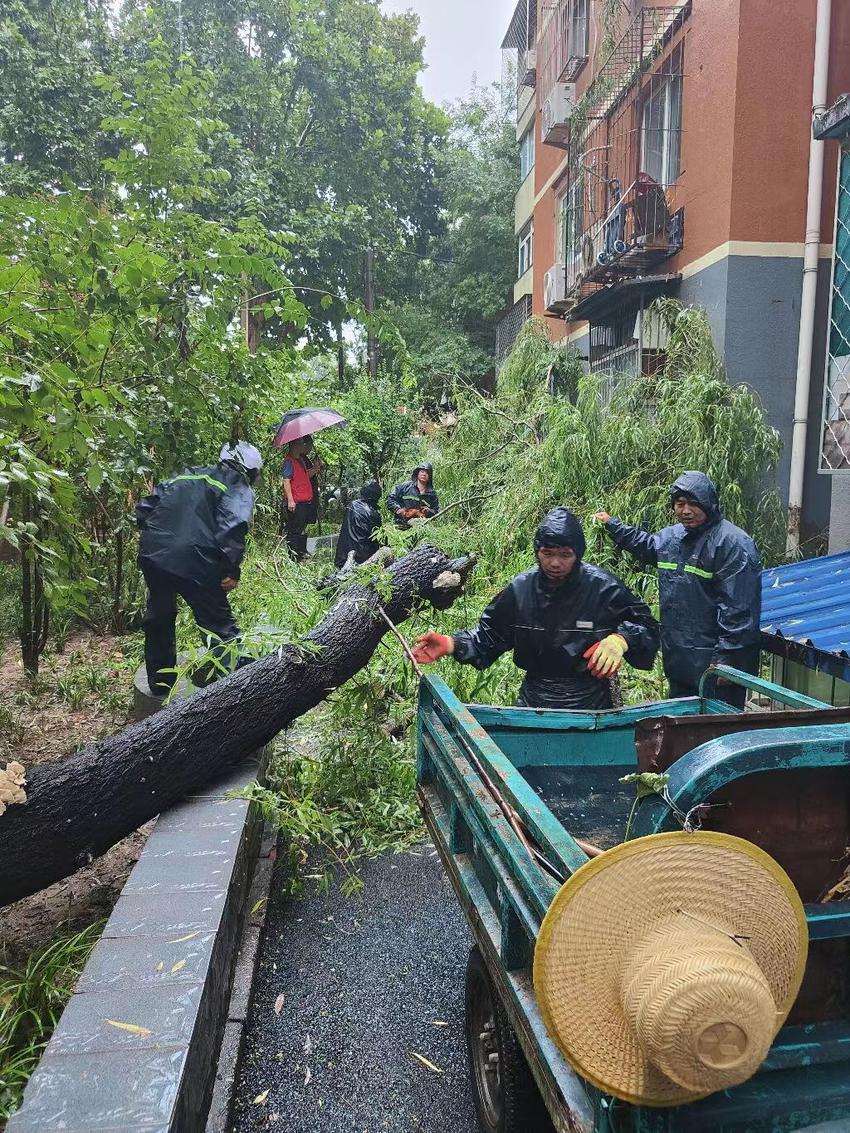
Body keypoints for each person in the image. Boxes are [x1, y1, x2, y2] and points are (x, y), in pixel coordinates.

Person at [412, 507, 659, 710]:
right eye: (547, 553)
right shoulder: (521, 589)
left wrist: (621, 639)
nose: (555, 563)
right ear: (537, 552)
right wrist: (450, 643)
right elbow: (489, 636)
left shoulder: (603, 587)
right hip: (536, 701)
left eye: (565, 555)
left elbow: (647, 626)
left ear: (578, 554)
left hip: (592, 700)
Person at [594, 470, 761, 710]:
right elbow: (646, 545)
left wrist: (727, 662)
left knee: (716, 734)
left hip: (717, 671)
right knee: (682, 732)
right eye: (680, 504)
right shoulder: (672, 538)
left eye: (694, 503)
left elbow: (739, 612)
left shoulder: (732, 544)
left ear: (709, 503)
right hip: (680, 662)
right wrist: (612, 525)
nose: (686, 510)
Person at [136, 442, 262, 696]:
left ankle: (161, 685)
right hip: (196, 560)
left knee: (159, 617)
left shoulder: (188, 473)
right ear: (250, 469)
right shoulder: (236, 483)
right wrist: (230, 569)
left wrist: (161, 539)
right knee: (217, 622)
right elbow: (233, 525)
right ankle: (242, 690)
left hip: (154, 554)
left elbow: (144, 509)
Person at [282, 435, 321, 560]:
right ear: (293, 445)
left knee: (301, 528)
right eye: (299, 443)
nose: (302, 446)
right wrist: (290, 500)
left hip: (305, 501)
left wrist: (316, 468)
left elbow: (305, 475)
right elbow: (286, 480)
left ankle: (300, 553)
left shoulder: (301, 460)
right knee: (294, 531)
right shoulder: (289, 461)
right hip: (296, 502)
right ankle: (293, 557)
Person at [334, 481, 383, 569]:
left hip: (343, 556)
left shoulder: (352, 505)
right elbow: (378, 538)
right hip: (363, 559)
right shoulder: (373, 514)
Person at [387, 463, 439, 529]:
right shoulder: (405, 487)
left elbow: (436, 512)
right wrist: (398, 509)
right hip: (401, 526)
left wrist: (429, 511)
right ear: (417, 473)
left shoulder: (432, 494)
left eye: (427, 473)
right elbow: (391, 499)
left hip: (421, 527)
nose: (424, 474)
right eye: (422, 471)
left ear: (430, 476)